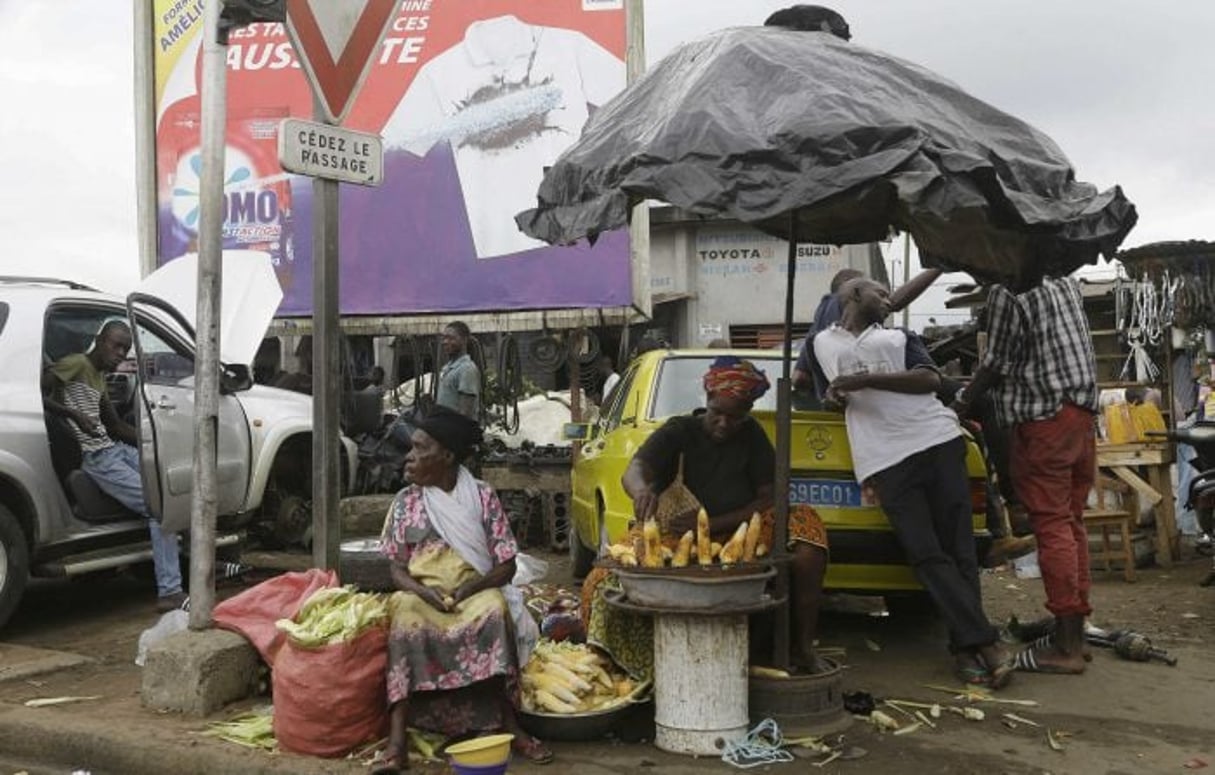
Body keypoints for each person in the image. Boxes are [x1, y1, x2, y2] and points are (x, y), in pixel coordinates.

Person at [813, 278, 1012, 688]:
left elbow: (929, 380)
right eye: (880, 292)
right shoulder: (820, 343)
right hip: (883, 459)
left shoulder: (900, 336)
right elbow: (824, 394)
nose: (889, 299)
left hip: (936, 441)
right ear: (852, 296)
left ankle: (965, 649)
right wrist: (834, 398)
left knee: (959, 552)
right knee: (925, 554)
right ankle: (984, 642)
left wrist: (865, 380)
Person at [618, 356, 830, 673]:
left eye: (735, 417)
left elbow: (770, 498)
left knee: (808, 539)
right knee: (602, 579)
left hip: (739, 532)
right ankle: (628, 664)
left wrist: (712, 525)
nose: (724, 424)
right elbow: (635, 470)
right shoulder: (679, 431)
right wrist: (641, 491)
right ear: (707, 400)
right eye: (718, 413)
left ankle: (802, 648)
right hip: (676, 534)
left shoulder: (751, 435)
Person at [374, 406, 550, 773]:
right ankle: (396, 741)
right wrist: (422, 593)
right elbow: (396, 569)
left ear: (447, 456)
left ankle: (509, 724)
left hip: (473, 594)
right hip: (423, 597)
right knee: (404, 618)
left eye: (420, 449)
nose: (409, 457)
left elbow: (506, 564)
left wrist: (473, 587)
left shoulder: (482, 497)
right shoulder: (406, 502)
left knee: (495, 611)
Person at [954, 275, 1099, 676]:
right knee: (1071, 522)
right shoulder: (1062, 280)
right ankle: (1076, 632)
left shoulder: (1007, 290)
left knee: (1052, 525)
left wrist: (961, 401)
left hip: (1045, 418)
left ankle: (1067, 647)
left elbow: (997, 362)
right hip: (1080, 412)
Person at [41, 321, 186, 612]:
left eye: (125, 349)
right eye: (115, 345)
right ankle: (169, 590)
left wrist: (157, 442)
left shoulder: (98, 376)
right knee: (159, 510)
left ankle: (195, 564)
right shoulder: (77, 364)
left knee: (172, 489)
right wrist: (72, 414)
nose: (120, 353)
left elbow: (117, 426)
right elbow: (39, 394)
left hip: (115, 450)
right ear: (99, 340)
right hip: (98, 459)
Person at [436, 322, 480, 419]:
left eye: (451, 338)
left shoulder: (467, 369)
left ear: (464, 340)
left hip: (455, 428)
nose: (445, 342)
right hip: (442, 424)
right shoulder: (447, 368)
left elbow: (465, 414)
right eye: (444, 338)